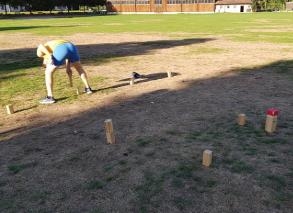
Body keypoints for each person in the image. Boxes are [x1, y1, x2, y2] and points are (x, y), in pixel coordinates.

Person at [36, 40, 92, 104]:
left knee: (48, 72)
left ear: (43, 61)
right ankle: (88, 89)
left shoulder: (40, 54)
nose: (47, 65)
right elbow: (67, 54)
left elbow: (40, 46)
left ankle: (50, 97)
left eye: (45, 65)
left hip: (61, 48)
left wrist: (49, 56)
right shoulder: (51, 48)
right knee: (79, 68)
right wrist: (67, 67)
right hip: (71, 46)